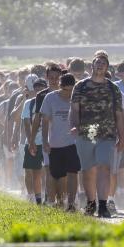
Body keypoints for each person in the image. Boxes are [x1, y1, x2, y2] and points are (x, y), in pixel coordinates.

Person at [70, 51, 124, 218]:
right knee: (88, 170)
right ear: (92, 65)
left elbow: (118, 113)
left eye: (104, 63)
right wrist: (75, 126)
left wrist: (123, 136)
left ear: (107, 67)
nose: (100, 65)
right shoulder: (80, 86)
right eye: (98, 62)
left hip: (107, 134)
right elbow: (74, 109)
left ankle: (102, 205)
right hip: (86, 134)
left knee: (105, 167)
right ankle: (90, 202)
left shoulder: (112, 88)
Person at [41, 74, 81, 210]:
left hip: (73, 143)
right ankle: (59, 201)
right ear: (60, 86)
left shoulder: (78, 98)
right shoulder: (50, 98)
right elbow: (45, 121)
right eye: (66, 90)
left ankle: (71, 203)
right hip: (55, 143)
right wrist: (45, 141)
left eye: (71, 91)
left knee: (73, 172)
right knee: (57, 175)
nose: (69, 94)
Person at [28, 64, 64, 205]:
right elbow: (37, 118)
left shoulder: (67, 93)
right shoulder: (41, 95)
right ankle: (50, 199)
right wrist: (32, 140)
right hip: (47, 137)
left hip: (65, 137)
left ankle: (63, 199)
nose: (54, 80)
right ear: (46, 78)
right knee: (49, 169)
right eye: (51, 78)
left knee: (64, 170)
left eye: (57, 77)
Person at [20, 78, 47, 203]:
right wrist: (31, 141)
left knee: (44, 172)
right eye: (37, 89)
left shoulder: (49, 102)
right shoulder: (29, 103)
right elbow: (26, 123)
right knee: (30, 170)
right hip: (33, 141)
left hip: (48, 142)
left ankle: (43, 196)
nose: (39, 91)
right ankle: (31, 195)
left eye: (42, 88)